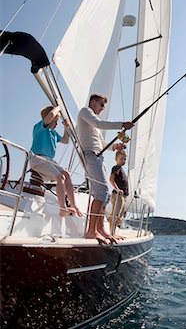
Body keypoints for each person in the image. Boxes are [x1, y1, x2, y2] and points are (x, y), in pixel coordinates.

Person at [77, 94, 134, 242]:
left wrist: (115, 146)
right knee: (102, 191)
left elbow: (101, 142)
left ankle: (100, 229)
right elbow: (99, 124)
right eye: (101, 105)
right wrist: (122, 124)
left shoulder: (92, 122)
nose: (102, 108)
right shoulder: (85, 112)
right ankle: (91, 231)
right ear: (93, 101)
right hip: (91, 155)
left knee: (102, 194)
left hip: (98, 156)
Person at [30, 106, 83, 217]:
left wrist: (66, 128)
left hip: (49, 161)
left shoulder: (53, 133)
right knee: (60, 177)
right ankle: (62, 207)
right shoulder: (39, 127)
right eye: (55, 121)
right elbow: (50, 116)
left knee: (67, 174)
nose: (57, 124)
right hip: (38, 159)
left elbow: (65, 140)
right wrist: (58, 107)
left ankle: (73, 205)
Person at [109, 149, 129, 236]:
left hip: (123, 195)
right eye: (121, 159)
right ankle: (112, 233)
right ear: (116, 159)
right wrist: (117, 189)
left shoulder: (121, 169)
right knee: (115, 214)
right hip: (118, 194)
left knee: (120, 215)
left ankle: (114, 232)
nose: (123, 161)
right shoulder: (116, 168)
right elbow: (111, 179)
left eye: (124, 159)